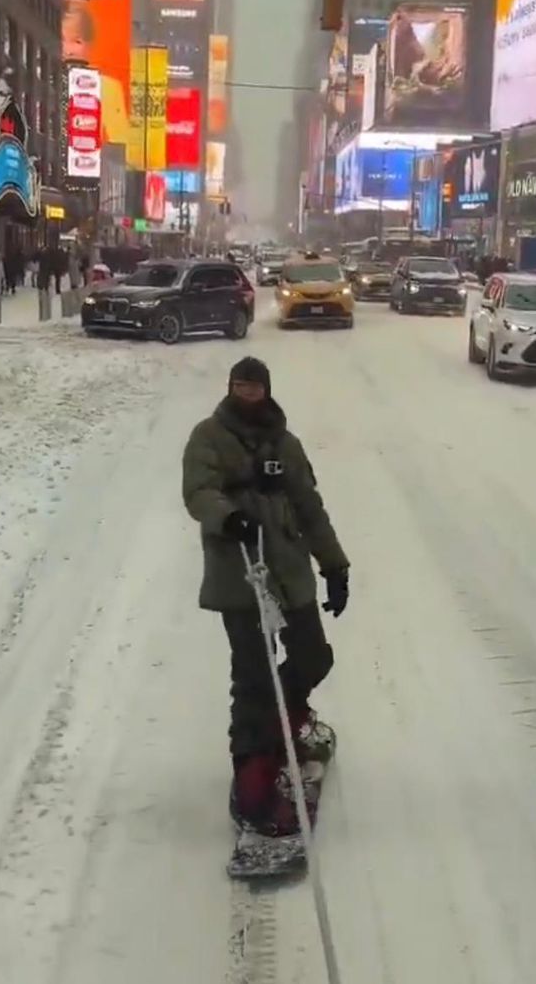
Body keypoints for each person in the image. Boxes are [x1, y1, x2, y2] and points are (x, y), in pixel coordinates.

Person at [182, 357, 350, 837]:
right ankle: (253, 780)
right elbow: (197, 491)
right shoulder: (208, 437)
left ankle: (283, 726)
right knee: (254, 675)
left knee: (314, 656)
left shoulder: (286, 444)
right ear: (230, 388)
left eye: (255, 388)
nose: (248, 394)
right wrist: (227, 516)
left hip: (289, 571)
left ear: (267, 391)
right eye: (240, 386)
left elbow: (309, 507)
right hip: (242, 576)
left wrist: (334, 564)